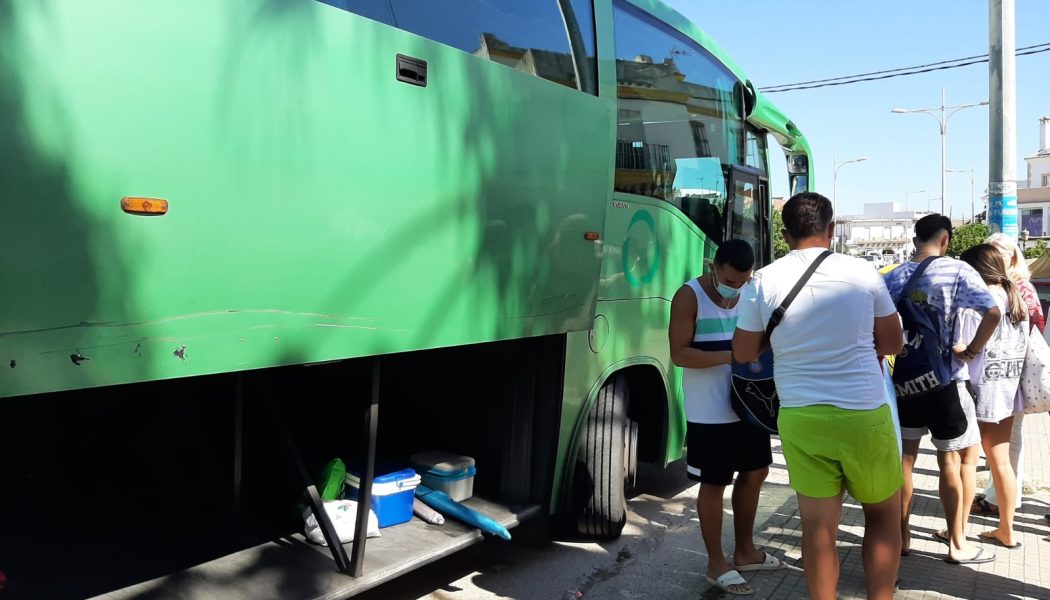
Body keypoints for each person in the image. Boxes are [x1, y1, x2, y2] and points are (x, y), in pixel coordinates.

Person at [733, 193, 904, 600]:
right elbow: (894, 341)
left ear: (785, 233)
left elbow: (742, 353)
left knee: (818, 528)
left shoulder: (763, 281)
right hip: (864, 411)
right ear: (831, 230)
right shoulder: (863, 273)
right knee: (882, 517)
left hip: (801, 415)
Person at [882, 214, 1001, 565]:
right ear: (945, 239)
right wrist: (972, 350)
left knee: (905, 460)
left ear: (916, 238)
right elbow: (992, 312)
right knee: (948, 461)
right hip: (944, 379)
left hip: (905, 379)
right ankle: (957, 543)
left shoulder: (894, 275)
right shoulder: (957, 271)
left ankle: (902, 537)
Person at [669, 239, 781, 596]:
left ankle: (745, 551)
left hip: (750, 404)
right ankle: (716, 563)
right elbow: (679, 354)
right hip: (709, 409)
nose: (735, 288)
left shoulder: (753, 292)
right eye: (730, 280)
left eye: (742, 281)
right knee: (715, 482)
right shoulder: (689, 296)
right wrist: (730, 357)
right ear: (713, 266)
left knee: (755, 471)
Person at [957, 244, 1028, 549]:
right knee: (1001, 461)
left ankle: (955, 532)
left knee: (967, 462)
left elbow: (962, 347)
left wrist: (961, 350)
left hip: (978, 389)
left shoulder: (977, 300)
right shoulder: (1017, 298)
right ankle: (1007, 529)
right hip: (1009, 389)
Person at [971, 233, 1045, 517]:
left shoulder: (1019, 287)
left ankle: (999, 502)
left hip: (1011, 374)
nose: (997, 254)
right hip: (1008, 374)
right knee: (1004, 444)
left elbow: (1034, 326)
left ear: (1014, 254)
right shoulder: (1006, 286)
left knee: (1007, 443)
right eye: (992, 250)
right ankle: (1002, 503)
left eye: (1002, 250)